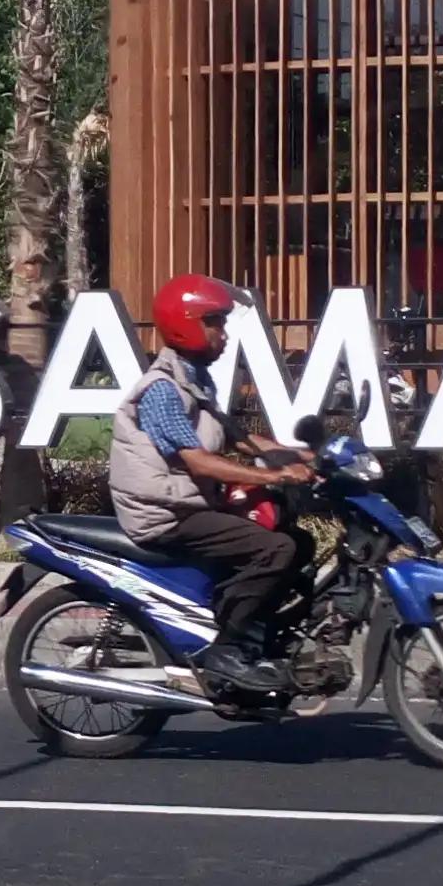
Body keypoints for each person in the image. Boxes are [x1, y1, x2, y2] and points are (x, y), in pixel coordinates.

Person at [107, 274, 316, 706]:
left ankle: (258, 632)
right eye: (214, 323)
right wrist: (275, 476)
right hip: (164, 514)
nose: (223, 334)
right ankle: (229, 650)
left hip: (185, 502)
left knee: (299, 541)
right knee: (274, 549)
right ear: (185, 324)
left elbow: (237, 436)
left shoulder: (192, 379)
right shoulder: (162, 389)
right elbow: (197, 460)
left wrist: (307, 457)